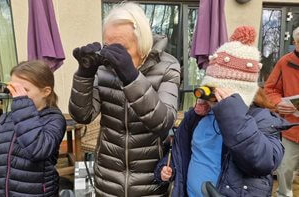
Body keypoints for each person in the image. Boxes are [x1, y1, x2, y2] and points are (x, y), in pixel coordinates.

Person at [155, 26, 291, 197]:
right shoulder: (200, 116)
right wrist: (167, 168)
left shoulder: (261, 119)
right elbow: (180, 151)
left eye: (218, 90)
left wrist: (231, 113)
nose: (212, 96)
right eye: (210, 88)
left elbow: (263, 162)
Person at [68, 2, 180, 196]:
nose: (113, 56)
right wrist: (84, 75)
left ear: (142, 43)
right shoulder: (104, 69)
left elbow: (163, 122)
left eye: (122, 49)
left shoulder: (168, 66)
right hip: (108, 176)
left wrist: (132, 78)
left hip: (149, 179)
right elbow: (82, 116)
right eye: (109, 46)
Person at [0, 60, 67, 196]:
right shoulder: (5, 119)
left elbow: (38, 150)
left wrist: (22, 105)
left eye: (24, 90)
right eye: (14, 89)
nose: (16, 95)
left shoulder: (54, 119)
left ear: (45, 91)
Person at [264, 26, 299, 197]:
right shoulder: (285, 62)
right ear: (295, 42)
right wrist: (278, 103)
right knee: (285, 170)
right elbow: (270, 89)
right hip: (291, 129)